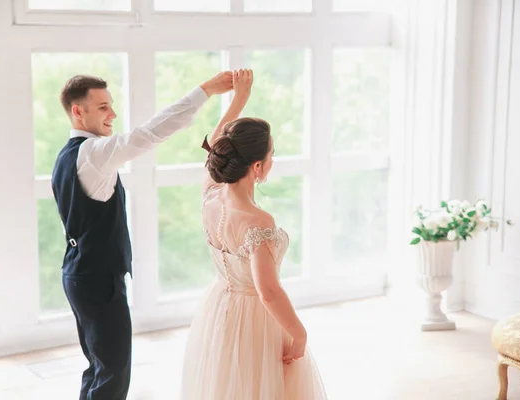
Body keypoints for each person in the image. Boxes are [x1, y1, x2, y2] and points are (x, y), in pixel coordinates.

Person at [50, 71, 233, 400]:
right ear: (78, 111)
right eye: (103, 107)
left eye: (112, 106)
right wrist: (206, 90)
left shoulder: (67, 156)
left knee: (99, 366)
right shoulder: (94, 152)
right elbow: (152, 132)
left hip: (78, 274)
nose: (113, 115)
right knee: (114, 373)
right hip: (96, 279)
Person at [180, 69, 327, 399]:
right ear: (257, 167)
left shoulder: (211, 194)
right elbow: (269, 291)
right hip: (255, 320)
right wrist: (299, 333)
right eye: (271, 154)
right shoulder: (257, 221)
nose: (272, 159)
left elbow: (217, 141)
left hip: (220, 307)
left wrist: (239, 100)